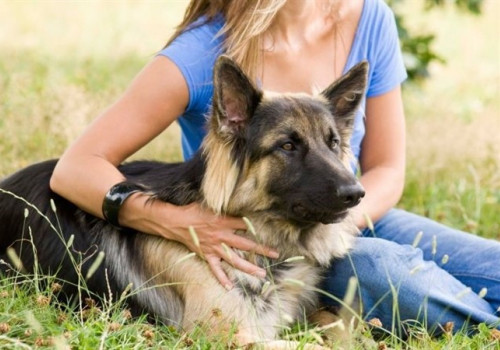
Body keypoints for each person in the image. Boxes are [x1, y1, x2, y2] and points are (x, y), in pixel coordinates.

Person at [50, 0, 500, 336]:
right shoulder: (201, 50)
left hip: (349, 215)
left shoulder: (369, 17)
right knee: (387, 271)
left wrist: (337, 231)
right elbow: (74, 168)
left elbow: (386, 169)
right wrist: (176, 222)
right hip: (263, 236)